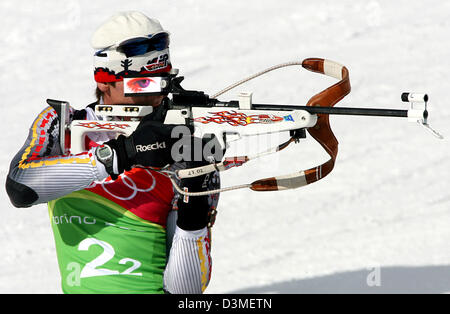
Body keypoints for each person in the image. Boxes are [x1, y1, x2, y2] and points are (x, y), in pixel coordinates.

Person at [5, 11, 220, 294]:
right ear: (103, 80)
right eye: (142, 83)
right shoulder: (63, 123)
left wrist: (194, 213)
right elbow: (20, 187)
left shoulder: (184, 142)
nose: (155, 97)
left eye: (162, 82)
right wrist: (124, 153)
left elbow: (184, 292)